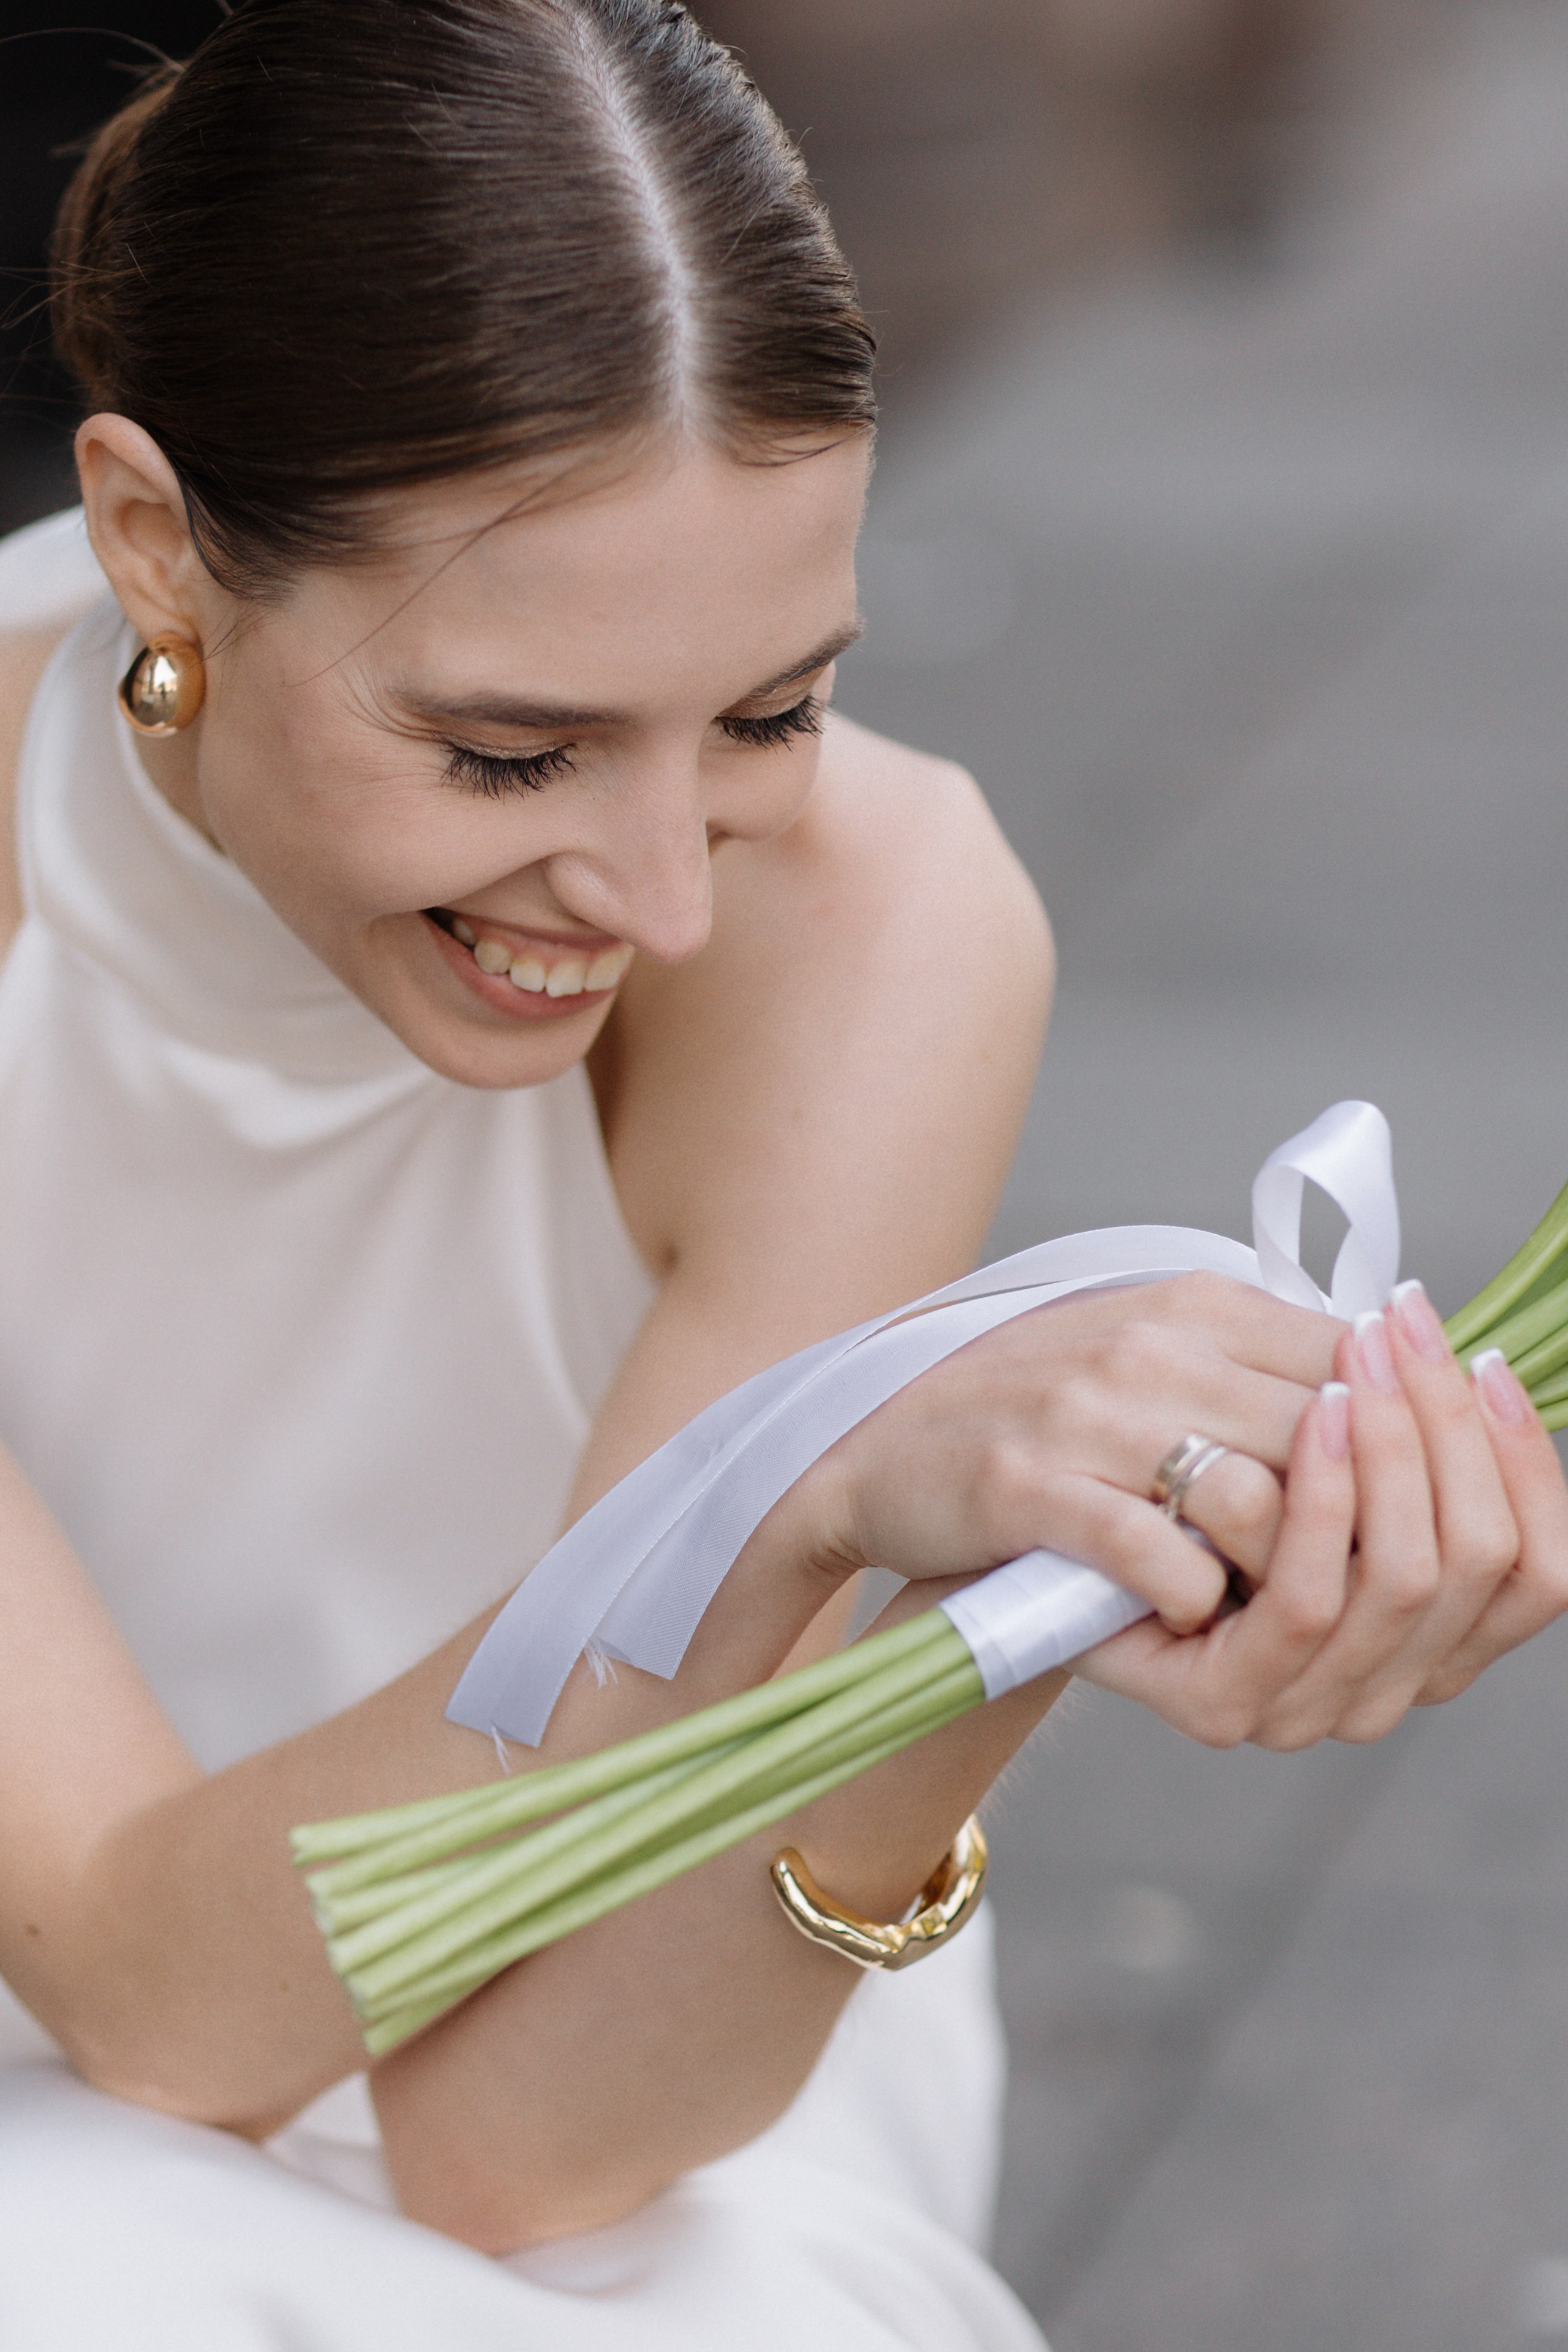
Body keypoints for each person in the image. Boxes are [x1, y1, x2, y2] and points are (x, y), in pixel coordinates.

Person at [0, 4, 1564, 2344]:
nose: (665, 903)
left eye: (769, 714)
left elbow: (529, 2153)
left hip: (670, 2038)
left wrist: (1008, 1603)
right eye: (512, 749)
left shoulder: (879, 922)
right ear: (154, 547)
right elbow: (147, 1999)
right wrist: (795, 1483)